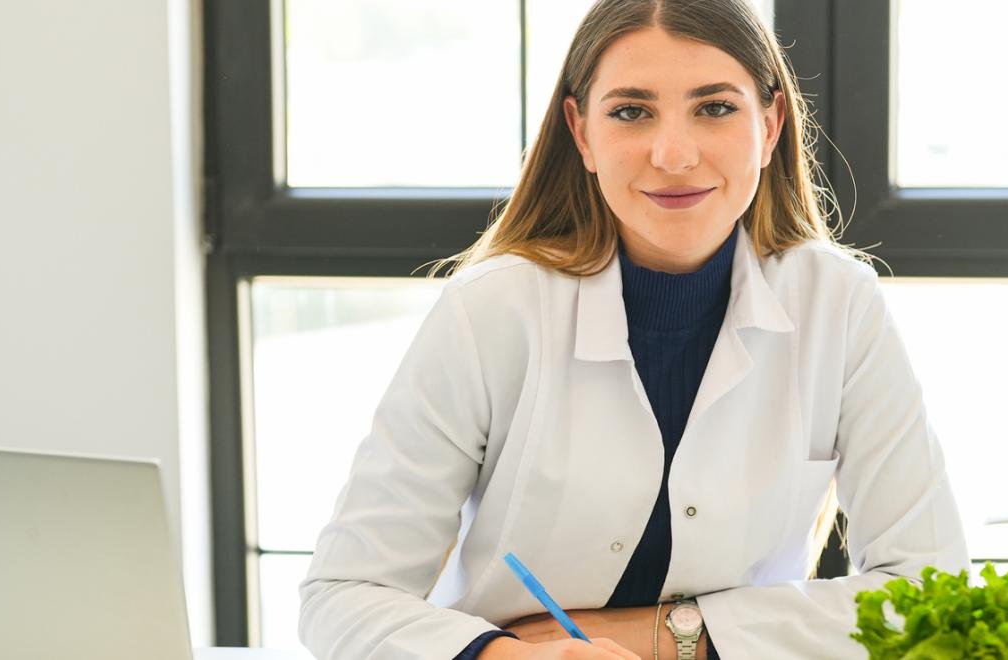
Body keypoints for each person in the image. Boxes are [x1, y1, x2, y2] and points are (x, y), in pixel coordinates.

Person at [297, 1, 968, 658]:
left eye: (715, 107)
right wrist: (521, 658)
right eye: (630, 111)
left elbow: (932, 593)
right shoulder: (493, 308)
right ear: (582, 133)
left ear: (770, 123)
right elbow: (344, 594)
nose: (673, 155)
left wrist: (663, 639)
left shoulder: (839, 302)